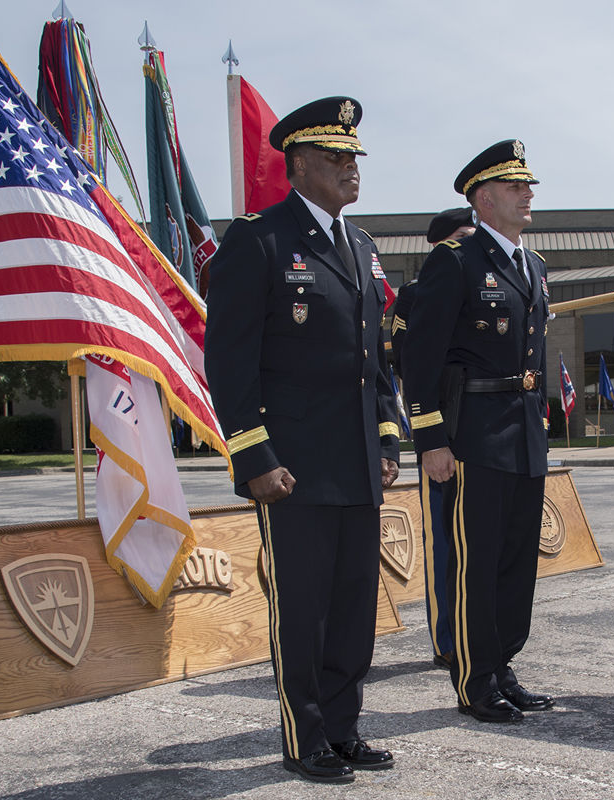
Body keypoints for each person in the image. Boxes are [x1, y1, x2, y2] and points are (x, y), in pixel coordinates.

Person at [204, 96, 401, 783]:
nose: (352, 170)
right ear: (300, 164)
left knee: (353, 607)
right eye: (338, 158)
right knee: (306, 607)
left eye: (354, 158)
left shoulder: (365, 246)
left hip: (355, 463)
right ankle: (305, 735)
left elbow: (373, 358)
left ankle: (344, 728)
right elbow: (228, 360)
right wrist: (253, 454)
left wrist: (387, 439)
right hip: (293, 465)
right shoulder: (258, 240)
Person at [403, 140, 554, 722]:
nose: (528, 194)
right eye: (516, 188)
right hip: (474, 435)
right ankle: (473, 678)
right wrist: (431, 439)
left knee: (518, 562)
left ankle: (503, 663)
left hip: (524, 435)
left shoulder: (534, 266)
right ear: (483, 199)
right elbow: (421, 356)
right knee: (478, 560)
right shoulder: (456, 262)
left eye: (529, 186)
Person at [389, 207, 477, 671]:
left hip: (484, 431)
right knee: (445, 540)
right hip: (444, 428)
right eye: (461, 237)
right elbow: (405, 358)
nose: (470, 244)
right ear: (440, 245)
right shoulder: (415, 295)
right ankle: (447, 639)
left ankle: (481, 635)